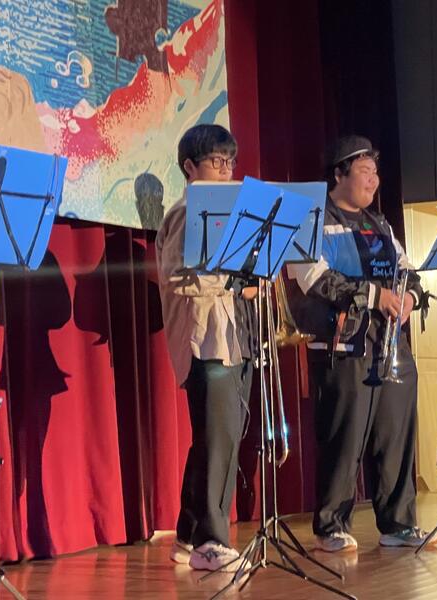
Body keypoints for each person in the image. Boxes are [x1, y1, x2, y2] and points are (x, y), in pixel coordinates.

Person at [292, 135, 437, 552]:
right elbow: (314, 279)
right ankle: (331, 526)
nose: (373, 180)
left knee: (395, 437)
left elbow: (409, 272)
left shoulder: (381, 225)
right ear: (338, 174)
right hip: (342, 345)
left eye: (375, 172)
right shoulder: (313, 220)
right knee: (344, 438)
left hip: (389, 345)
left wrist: (410, 298)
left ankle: (398, 523)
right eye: (364, 171)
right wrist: (376, 296)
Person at [156, 124, 257, 570]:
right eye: (217, 162)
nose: (226, 170)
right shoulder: (185, 213)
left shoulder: (231, 217)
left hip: (234, 339)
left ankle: (187, 534)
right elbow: (177, 277)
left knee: (215, 442)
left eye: (230, 161)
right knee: (216, 443)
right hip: (206, 341)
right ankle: (210, 542)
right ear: (190, 167)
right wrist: (231, 281)